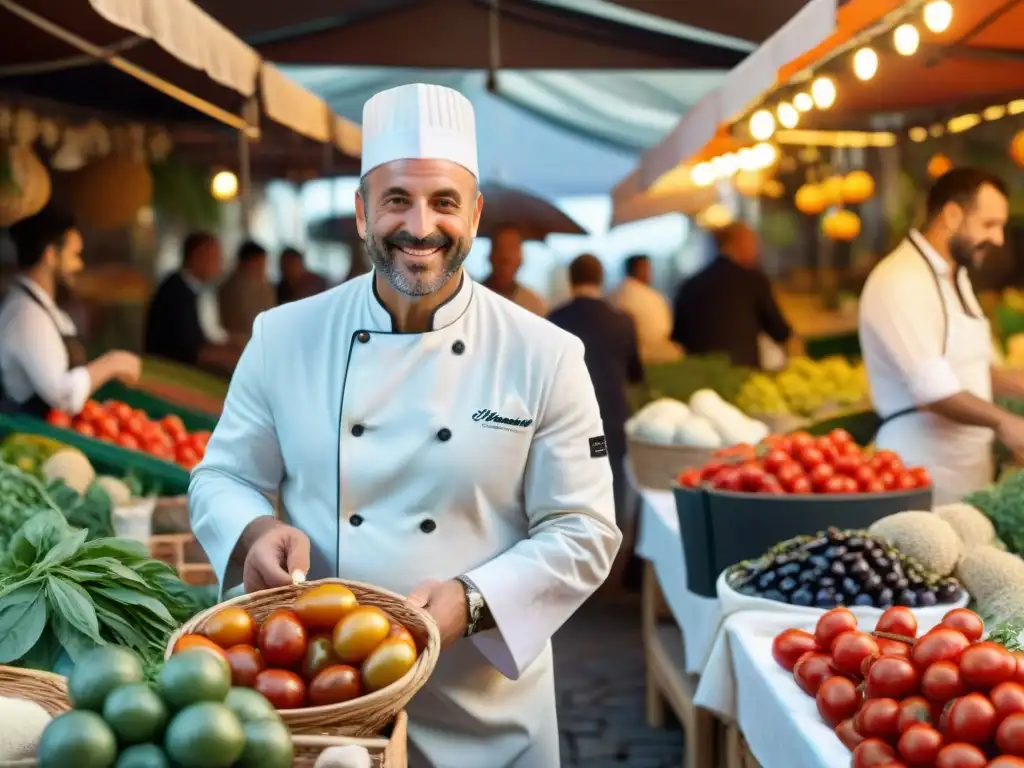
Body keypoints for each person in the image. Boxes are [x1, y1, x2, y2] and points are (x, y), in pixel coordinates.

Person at [189, 83, 621, 767]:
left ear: (473, 214)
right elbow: (224, 474)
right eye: (397, 199)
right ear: (363, 211)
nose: (419, 226)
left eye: (444, 201)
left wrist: (472, 602)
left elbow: (586, 529)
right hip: (324, 707)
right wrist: (255, 530)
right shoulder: (283, 335)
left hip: (487, 712)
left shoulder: (546, 354)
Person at [860, 167, 1024, 504]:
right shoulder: (900, 279)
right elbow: (933, 390)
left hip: (969, 473)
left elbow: (978, 370)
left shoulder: (956, 276)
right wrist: (1006, 422)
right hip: (920, 472)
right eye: (988, 224)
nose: (998, 239)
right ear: (951, 215)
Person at [0, 207, 140, 417]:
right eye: (74, 255)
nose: (80, 265)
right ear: (49, 256)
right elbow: (62, 395)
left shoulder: (41, 309)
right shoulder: (27, 316)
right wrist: (112, 362)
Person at [549, 254, 644, 525]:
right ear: (600, 279)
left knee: (568, 480)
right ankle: (608, 542)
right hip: (609, 422)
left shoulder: (555, 319)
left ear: (571, 280)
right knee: (608, 476)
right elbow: (635, 374)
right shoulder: (623, 321)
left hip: (567, 421)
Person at [671, 222, 793, 368]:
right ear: (739, 243)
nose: (757, 249)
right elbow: (778, 330)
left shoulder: (690, 284)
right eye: (753, 242)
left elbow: (678, 335)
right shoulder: (752, 279)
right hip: (742, 370)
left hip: (699, 371)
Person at [144, 233, 241, 375]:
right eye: (215, 257)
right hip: (172, 375)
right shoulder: (174, 292)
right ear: (197, 256)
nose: (220, 264)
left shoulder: (196, 290)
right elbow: (190, 350)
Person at [609, 254, 682, 363]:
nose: (650, 272)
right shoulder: (651, 297)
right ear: (636, 269)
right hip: (647, 350)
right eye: (646, 268)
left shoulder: (613, 295)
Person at [481, 226, 547, 316]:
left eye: (512, 248)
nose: (506, 256)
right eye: (501, 248)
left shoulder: (533, 305)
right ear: (490, 256)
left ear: (521, 258)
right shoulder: (471, 297)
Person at [219, 240, 275, 336]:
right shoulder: (232, 289)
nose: (262, 268)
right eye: (259, 263)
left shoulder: (263, 284)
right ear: (247, 263)